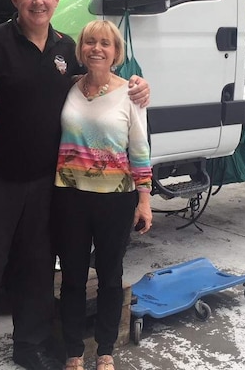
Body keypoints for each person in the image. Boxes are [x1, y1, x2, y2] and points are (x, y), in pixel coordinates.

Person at [0, 0, 150, 370]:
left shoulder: (64, 48)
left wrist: (135, 85)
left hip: (47, 186)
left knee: (37, 270)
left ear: (56, 0)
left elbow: (89, 86)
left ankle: (30, 346)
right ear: (15, 1)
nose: (38, 2)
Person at [53, 20, 153, 370]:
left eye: (105, 44)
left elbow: (139, 151)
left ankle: (106, 350)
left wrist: (144, 200)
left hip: (115, 199)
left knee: (110, 276)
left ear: (116, 52)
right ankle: (73, 352)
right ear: (81, 50)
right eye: (90, 42)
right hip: (69, 196)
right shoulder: (67, 87)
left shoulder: (131, 93)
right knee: (73, 278)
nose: (97, 48)